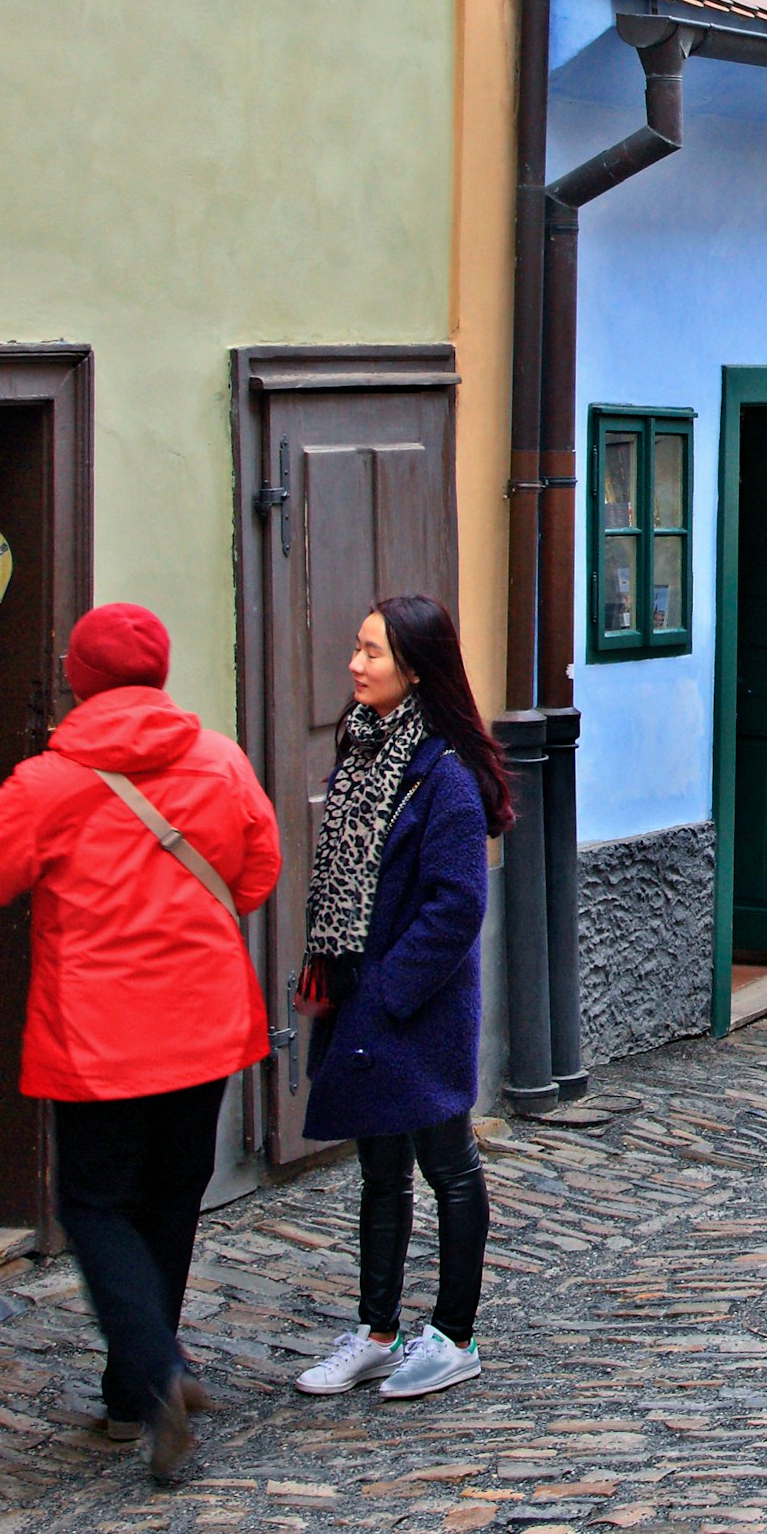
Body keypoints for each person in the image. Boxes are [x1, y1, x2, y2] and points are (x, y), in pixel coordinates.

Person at [0, 602, 279, 1481]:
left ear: (76, 678)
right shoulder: (220, 761)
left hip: (98, 1037)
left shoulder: (51, 781)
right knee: (170, 1204)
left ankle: (156, 1373)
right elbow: (257, 871)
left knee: (96, 1206)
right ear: (161, 673)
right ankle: (133, 1393)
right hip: (204, 1027)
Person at [288, 593, 509, 1403]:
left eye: (373, 652)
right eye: (357, 646)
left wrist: (387, 990)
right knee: (380, 1168)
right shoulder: (363, 752)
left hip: (417, 1007)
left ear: (415, 670)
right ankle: (377, 1332)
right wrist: (341, 976)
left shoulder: (444, 777)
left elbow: (456, 906)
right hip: (362, 995)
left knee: (447, 1164)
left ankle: (455, 1336)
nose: (356, 663)